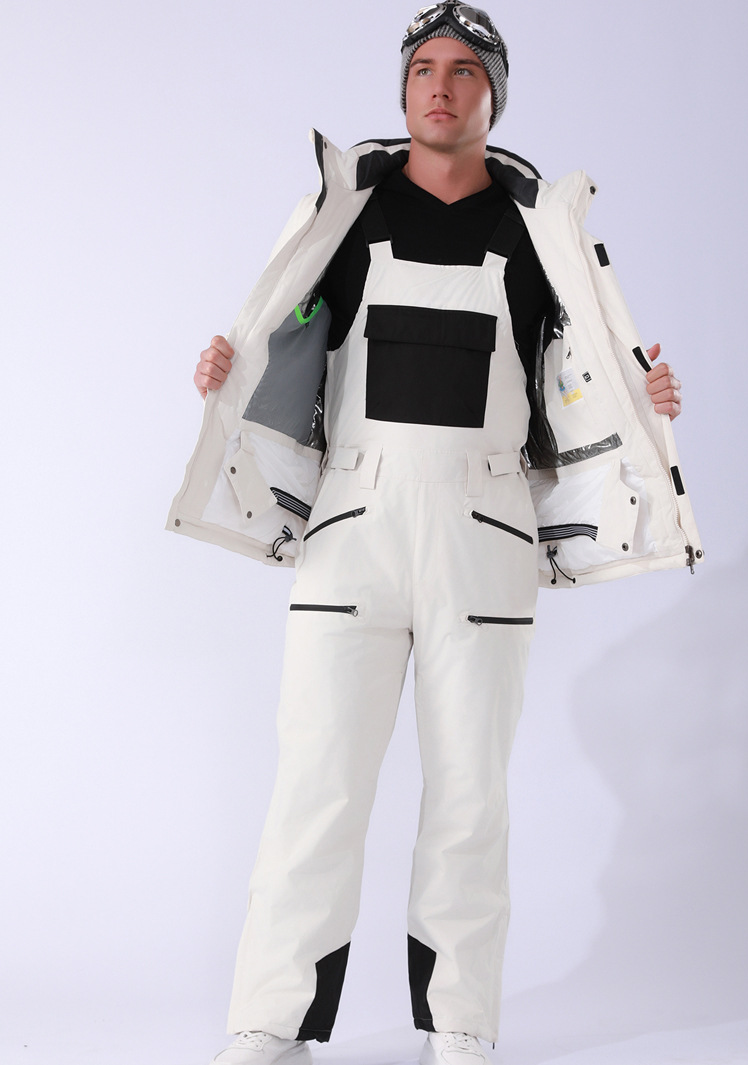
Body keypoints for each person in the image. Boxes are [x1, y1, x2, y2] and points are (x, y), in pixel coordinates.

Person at [169, 6, 701, 1064]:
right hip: (350, 529)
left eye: (464, 71)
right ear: (403, 88)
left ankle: (459, 1025)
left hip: (484, 531)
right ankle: (272, 1022)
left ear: (493, 93)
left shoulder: (540, 232)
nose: (441, 87)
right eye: (423, 69)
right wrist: (227, 374)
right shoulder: (342, 217)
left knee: (469, 796)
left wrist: (646, 399)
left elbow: (583, 372)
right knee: (316, 786)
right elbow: (287, 339)